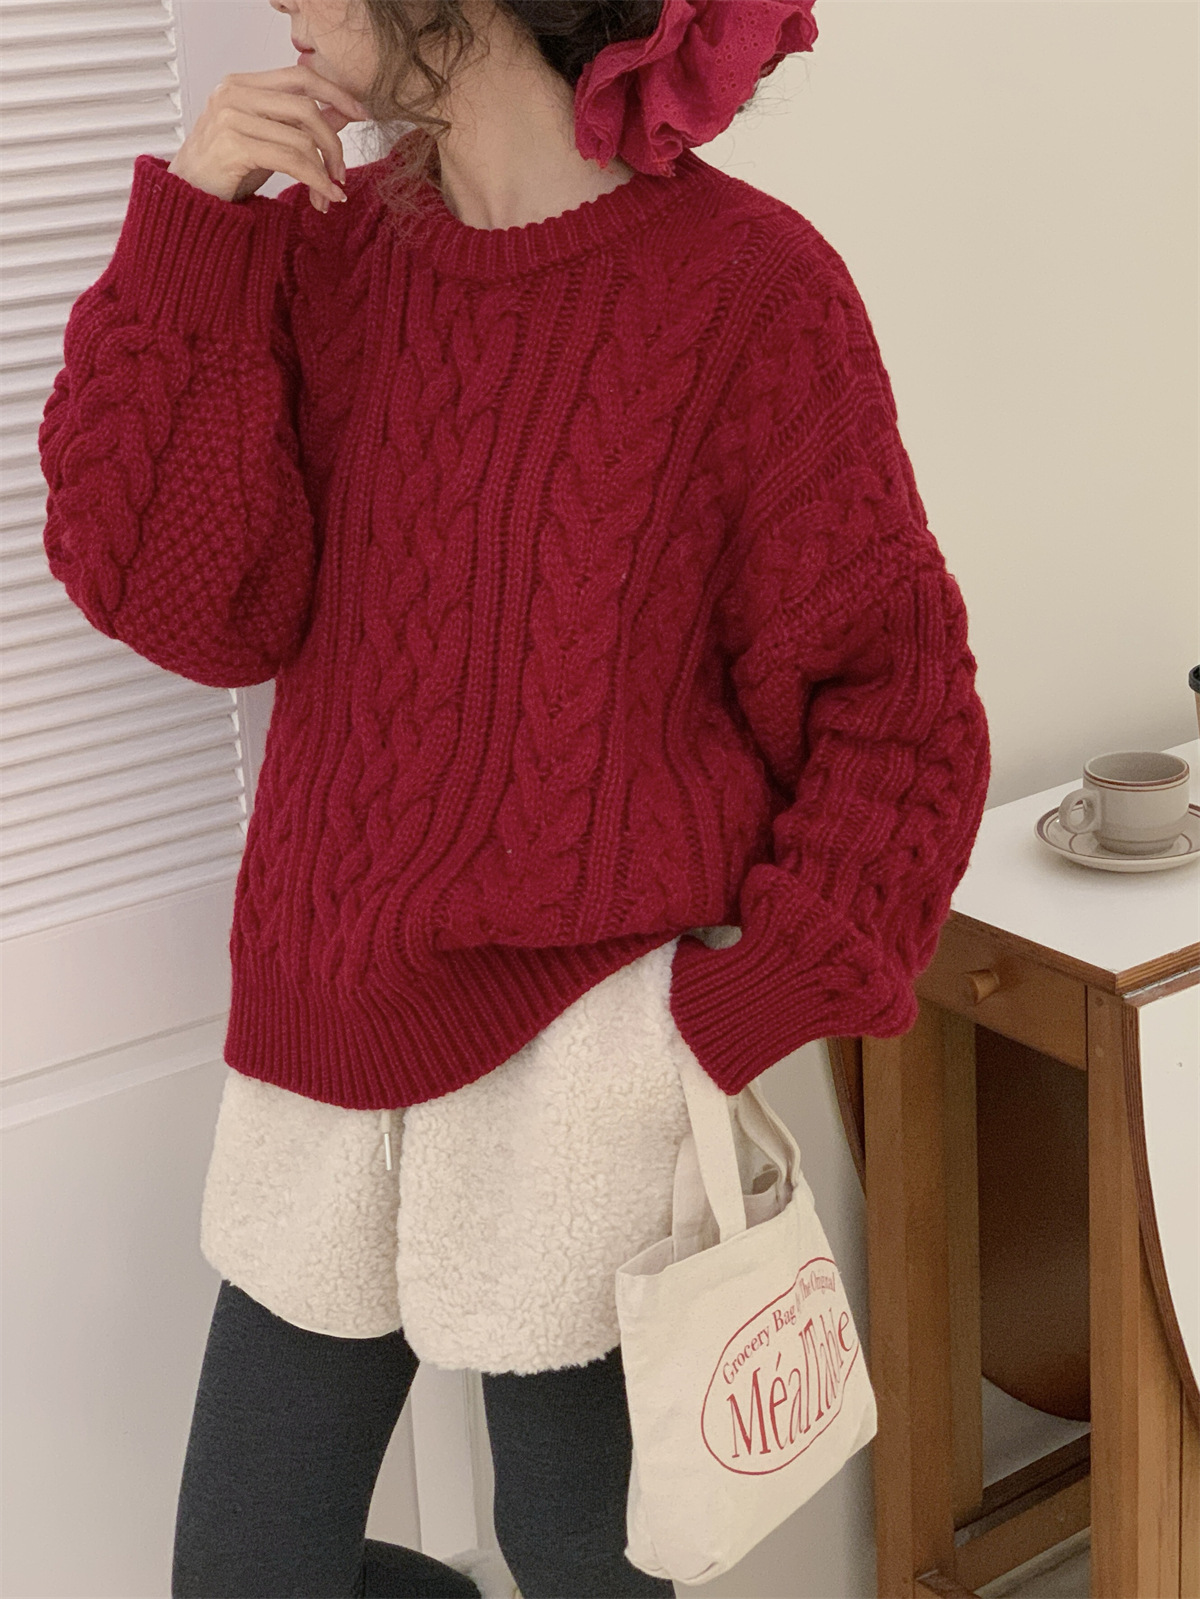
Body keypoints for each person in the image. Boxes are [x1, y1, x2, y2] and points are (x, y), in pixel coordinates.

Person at [36, 0, 992, 1593]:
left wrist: (726, 1015)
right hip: (329, 1034)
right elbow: (179, 599)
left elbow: (900, 709)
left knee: (585, 1567)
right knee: (245, 1568)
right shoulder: (323, 255)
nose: (280, 4)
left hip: (590, 1064)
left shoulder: (749, 292)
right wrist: (195, 230)